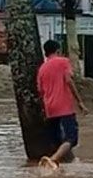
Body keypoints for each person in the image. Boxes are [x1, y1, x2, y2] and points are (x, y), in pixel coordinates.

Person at [36, 40, 88, 168]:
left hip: (50, 108)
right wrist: (80, 102)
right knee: (71, 138)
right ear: (58, 50)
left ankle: (67, 162)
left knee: (57, 139)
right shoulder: (63, 62)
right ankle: (52, 160)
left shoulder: (42, 68)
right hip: (64, 107)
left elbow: (40, 91)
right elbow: (69, 81)